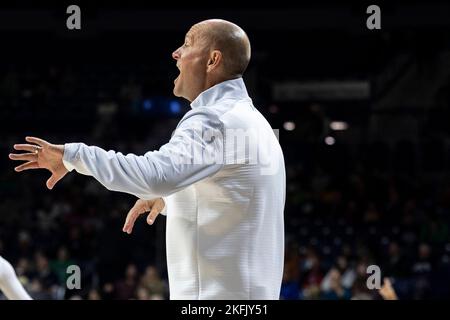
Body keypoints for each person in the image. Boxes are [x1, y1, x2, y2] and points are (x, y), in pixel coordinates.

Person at [9, 19, 286, 300]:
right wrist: (174, 199)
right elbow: (239, 195)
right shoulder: (256, 123)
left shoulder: (213, 119)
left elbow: (155, 176)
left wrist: (74, 156)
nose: (176, 53)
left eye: (188, 43)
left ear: (213, 60)